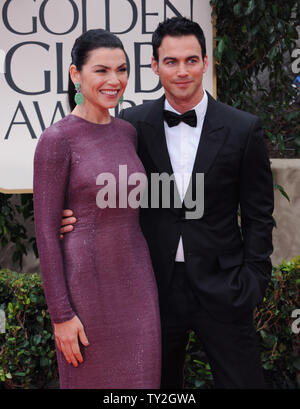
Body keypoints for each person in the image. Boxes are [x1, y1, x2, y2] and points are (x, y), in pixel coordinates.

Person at [61, 17, 274, 389]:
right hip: (152, 287)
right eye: (171, 61)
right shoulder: (129, 125)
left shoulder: (243, 128)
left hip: (224, 286)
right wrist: (76, 217)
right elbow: (100, 183)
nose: (182, 71)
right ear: (155, 66)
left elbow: (258, 214)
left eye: (191, 60)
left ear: (206, 63)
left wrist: (253, 280)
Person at [33, 29, 161, 389]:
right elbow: (45, 234)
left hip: (138, 288)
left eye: (121, 70)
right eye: (101, 70)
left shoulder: (127, 132)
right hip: (85, 294)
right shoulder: (57, 139)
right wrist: (61, 315)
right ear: (76, 74)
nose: (114, 80)